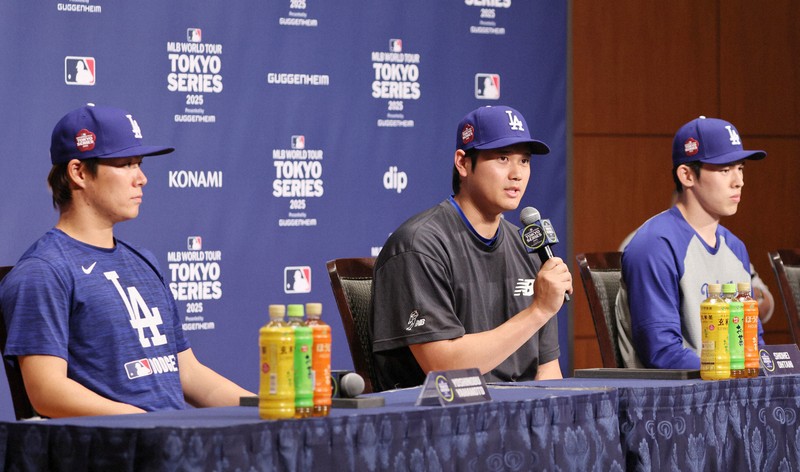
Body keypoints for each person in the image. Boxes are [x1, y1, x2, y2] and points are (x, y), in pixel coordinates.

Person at [0, 104, 253, 418]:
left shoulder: (143, 261)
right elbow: (47, 392)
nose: (142, 178)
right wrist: (146, 426)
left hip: (174, 445)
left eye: (140, 164)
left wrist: (274, 408)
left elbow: (189, 374)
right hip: (119, 450)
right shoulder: (43, 271)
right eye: (126, 164)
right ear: (78, 172)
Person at [369, 105, 572, 390]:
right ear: (463, 163)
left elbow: (548, 371)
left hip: (519, 419)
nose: (517, 174)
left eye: (524, 161)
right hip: (441, 419)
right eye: (503, 158)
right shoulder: (419, 245)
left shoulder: (529, 248)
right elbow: (444, 366)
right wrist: (538, 310)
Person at [616, 116, 766, 369]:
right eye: (724, 169)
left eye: (740, 168)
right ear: (687, 175)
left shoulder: (735, 247)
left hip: (728, 393)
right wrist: (729, 374)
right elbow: (662, 352)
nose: (738, 181)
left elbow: (753, 343)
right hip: (674, 400)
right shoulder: (655, 244)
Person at [619, 192, 775, 323]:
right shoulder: (650, 244)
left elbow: (767, 302)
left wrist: (749, 301)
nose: (738, 182)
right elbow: (660, 342)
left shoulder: (730, 245)